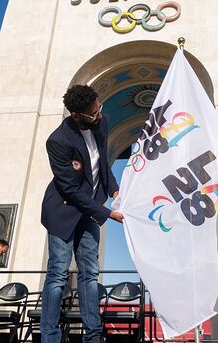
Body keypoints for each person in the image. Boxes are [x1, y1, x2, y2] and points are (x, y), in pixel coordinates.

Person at [40, 84, 123, 343]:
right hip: (63, 211)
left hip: (87, 212)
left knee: (90, 274)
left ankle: (93, 336)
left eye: (99, 108)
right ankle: (50, 337)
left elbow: (103, 163)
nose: (99, 115)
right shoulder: (57, 141)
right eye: (93, 113)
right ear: (76, 115)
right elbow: (70, 190)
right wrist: (107, 213)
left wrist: (115, 189)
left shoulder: (101, 122)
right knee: (58, 275)